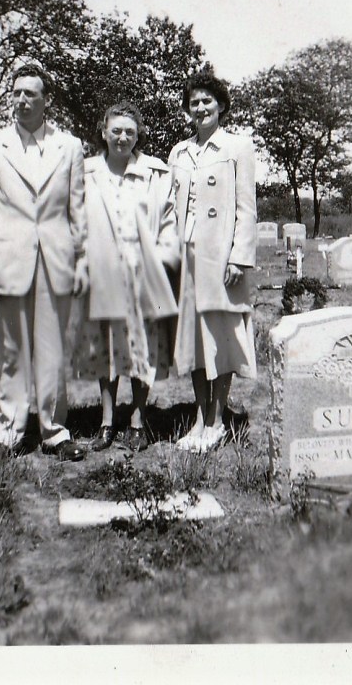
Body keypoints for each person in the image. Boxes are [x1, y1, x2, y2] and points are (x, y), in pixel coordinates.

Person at [0, 62, 89, 462]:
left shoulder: (69, 146)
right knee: (14, 351)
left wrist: (82, 261)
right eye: (16, 93)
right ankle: (8, 433)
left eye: (30, 94)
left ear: (46, 101)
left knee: (54, 352)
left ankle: (54, 430)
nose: (22, 100)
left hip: (57, 261)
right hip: (9, 260)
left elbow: (78, 211)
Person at [73, 102, 180, 452]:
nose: (122, 137)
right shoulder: (85, 172)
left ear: (138, 136)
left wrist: (162, 260)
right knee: (104, 345)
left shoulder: (155, 174)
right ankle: (106, 421)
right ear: (103, 132)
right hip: (101, 267)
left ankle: (137, 419)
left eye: (129, 132)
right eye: (116, 130)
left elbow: (168, 222)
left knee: (143, 345)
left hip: (141, 268)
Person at [168, 69, 257, 453]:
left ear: (221, 106)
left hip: (221, 260)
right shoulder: (179, 152)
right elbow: (171, 208)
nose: (200, 107)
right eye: (193, 103)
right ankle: (199, 418)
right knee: (195, 341)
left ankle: (216, 422)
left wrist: (239, 257)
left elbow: (246, 209)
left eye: (207, 101)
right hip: (187, 258)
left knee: (220, 340)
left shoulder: (237, 147)